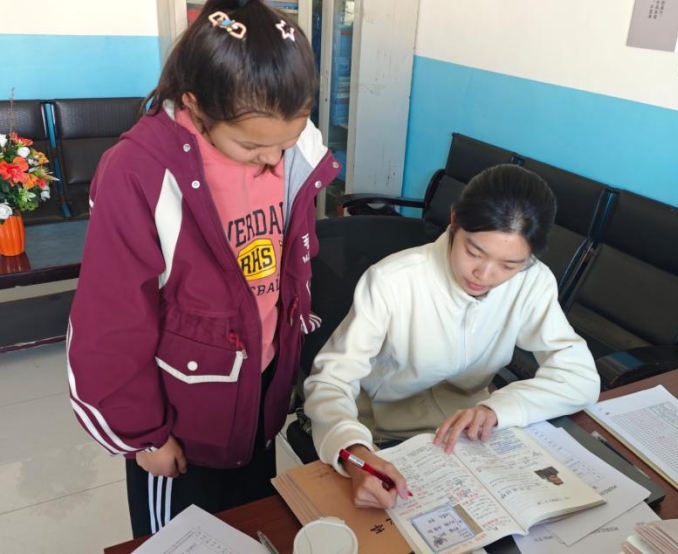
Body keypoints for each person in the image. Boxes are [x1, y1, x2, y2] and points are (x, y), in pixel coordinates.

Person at [67, 0, 339, 537]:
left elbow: (290, 273)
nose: (272, 160)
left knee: (253, 526)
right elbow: (111, 322)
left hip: (260, 394)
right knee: (182, 540)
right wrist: (144, 435)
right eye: (252, 146)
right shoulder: (139, 172)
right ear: (196, 105)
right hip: (180, 415)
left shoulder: (291, 149)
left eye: (286, 143)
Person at [304, 164, 600, 510]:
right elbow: (329, 382)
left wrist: (498, 408)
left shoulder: (532, 281)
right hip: (384, 439)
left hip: (471, 437)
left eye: (509, 265)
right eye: (474, 252)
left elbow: (580, 378)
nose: (484, 275)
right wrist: (355, 453)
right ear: (455, 220)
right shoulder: (392, 281)